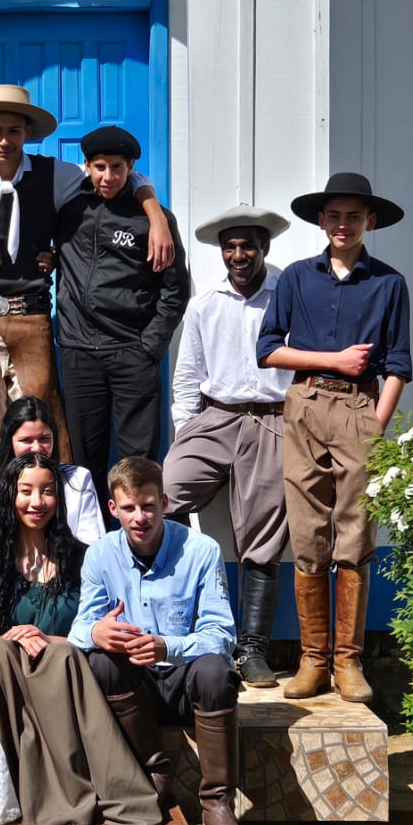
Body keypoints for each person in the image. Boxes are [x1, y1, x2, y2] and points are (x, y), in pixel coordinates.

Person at [0, 84, 175, 460]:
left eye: (14, 131)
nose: (4, 140)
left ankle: (41, 506)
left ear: (28, 133)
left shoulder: (56, 175)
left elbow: (118, 174)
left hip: (30, 313)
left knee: (37, 426)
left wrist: (155, 212)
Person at [0, 453, 162, 825]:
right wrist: (17, 640)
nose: (37, 502)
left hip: (66, 680)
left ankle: (75, 789)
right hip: (5, 682)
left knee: (62, 658)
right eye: (26, 491)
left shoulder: (81, 559)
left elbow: (95, 627)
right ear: (9, 496)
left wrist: (47, 638)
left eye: (47, 492)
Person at [257, 173, 411, 704]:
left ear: (370, 222)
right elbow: (269, 349)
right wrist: (330, 360)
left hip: (359, 409)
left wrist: (376, 425)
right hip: (304, 402)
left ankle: (348, 661)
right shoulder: (298, 278)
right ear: (320, 221)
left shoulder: (389, 283)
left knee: (355, 533)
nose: (342, 224)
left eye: (353, 215)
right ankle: (312, 660)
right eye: (334, 215)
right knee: (307, 533)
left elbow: (398, 364)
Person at [68, 457, 246, 825]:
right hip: (135, 689)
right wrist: (97, 631)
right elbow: (79, 629)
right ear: (112, 509)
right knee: (99, 660)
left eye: (148, 506)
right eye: (129, 508)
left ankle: (217, 802)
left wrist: (168, 645)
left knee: (217, 670)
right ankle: (154, 772)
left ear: (164, 502)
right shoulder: (100, 555)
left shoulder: (201, 550)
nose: (140, 518)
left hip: (184, 681)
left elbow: (222, 633)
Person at [164, 205, 296, 689]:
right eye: (230, 246)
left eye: (248, 245)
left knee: (263, 532)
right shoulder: (205, 304)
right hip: (216, 415)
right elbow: (186, 380)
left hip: (272, 420)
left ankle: (252, 648)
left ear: (265, 247)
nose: (238, 255)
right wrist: (186, 434)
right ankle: (181, 620)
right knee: (165, 492)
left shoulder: (288, 294)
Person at [53, 124, 190, 513]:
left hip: (133, 353)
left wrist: (150, 346)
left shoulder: (153, 219)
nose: (108, 177)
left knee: (138, 462)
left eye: (117, 167)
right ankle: (90, 551)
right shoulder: (68, 206)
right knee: (84, 462)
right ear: (87, 166)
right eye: (99, 167)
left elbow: (175, 288)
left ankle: (140, 547)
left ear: (132, 167)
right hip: (80, 353)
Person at [0, 397, 104, 547]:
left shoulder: (78, 479)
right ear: (10, 442)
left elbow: (93, 546)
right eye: (26, 440)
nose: (37, 448)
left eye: (44, 439)